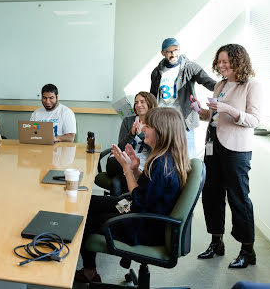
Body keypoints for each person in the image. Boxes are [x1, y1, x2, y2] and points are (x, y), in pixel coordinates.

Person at [75, 107, 190, 283]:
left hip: (145, 226)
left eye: (148, 126)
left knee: (87, 219)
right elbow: (146, 190)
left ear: (162, 131)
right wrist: (135, 169)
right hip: (146, 214)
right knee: (88, 203)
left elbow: (138, 201)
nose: (143, 129)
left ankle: (89, 271)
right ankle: (90, 268)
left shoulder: (161, 164)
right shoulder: (163, 158)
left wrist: (127, 170)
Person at [194, 44, 261, 269]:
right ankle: (216, 242)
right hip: (213, 145)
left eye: (225, 61)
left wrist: (228, 109)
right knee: (211, 195)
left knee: (238, 198)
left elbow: (253, 120)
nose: (221, 66)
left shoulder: (251, 85)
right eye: (219, 62)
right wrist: (200, 111)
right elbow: (213, 117)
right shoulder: (220, 85)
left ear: (238, 61)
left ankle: (247, 250)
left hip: (236, 150)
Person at [150, 38, 216, 158]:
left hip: (184, 120)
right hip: (163, 121)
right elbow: (153, 96)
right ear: (163, 53)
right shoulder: (156, 72)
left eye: (176, 50)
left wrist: (225, 88)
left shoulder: (190, 67)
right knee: (164, 156)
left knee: (187, 157)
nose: (173, 54)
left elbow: (208, 82)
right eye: (169, 51)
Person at [106, 91, 158, 195]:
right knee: (112, 164)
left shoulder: (156, 122)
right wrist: (132, 134)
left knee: (116, 183)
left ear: (150, 104)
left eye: (142, 102)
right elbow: (120, 147)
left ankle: (124, 206)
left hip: (141, 162)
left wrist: (141, 134)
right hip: (124, 159)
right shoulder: (128, 121)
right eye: (136, 102)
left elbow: (156, 149)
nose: (138, 105)